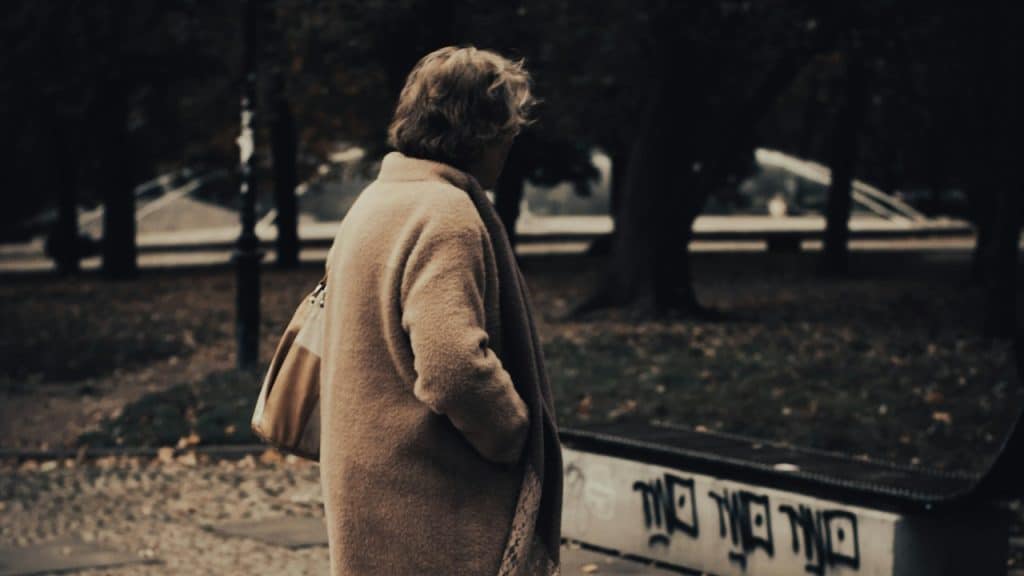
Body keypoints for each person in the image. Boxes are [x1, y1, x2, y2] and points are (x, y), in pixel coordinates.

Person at [320, 46, 563, 575]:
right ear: (480, 131)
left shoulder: (377, 200)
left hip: (373, 488)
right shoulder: (445, 213)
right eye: (507, 128)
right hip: (434, 502)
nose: (511, 141)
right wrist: (514, 434)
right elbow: (452, 366)